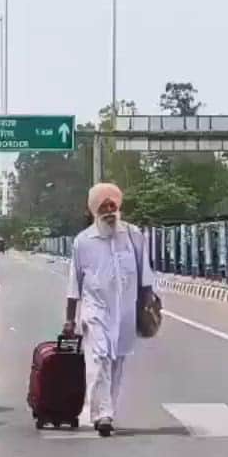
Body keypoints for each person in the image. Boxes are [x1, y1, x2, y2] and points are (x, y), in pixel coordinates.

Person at [63, 183, 155, 437]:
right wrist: (69, 319)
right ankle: (102, 413)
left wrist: (147, 308)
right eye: (103, 206)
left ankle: (108, 410)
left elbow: (144, 275)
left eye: (112, 205)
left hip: (125, 312)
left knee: (117, 362)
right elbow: (74, 284)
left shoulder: (134, 235)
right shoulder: (83, 242)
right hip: (95, 310)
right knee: (99, 357)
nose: (109, 210)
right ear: (94, 210)